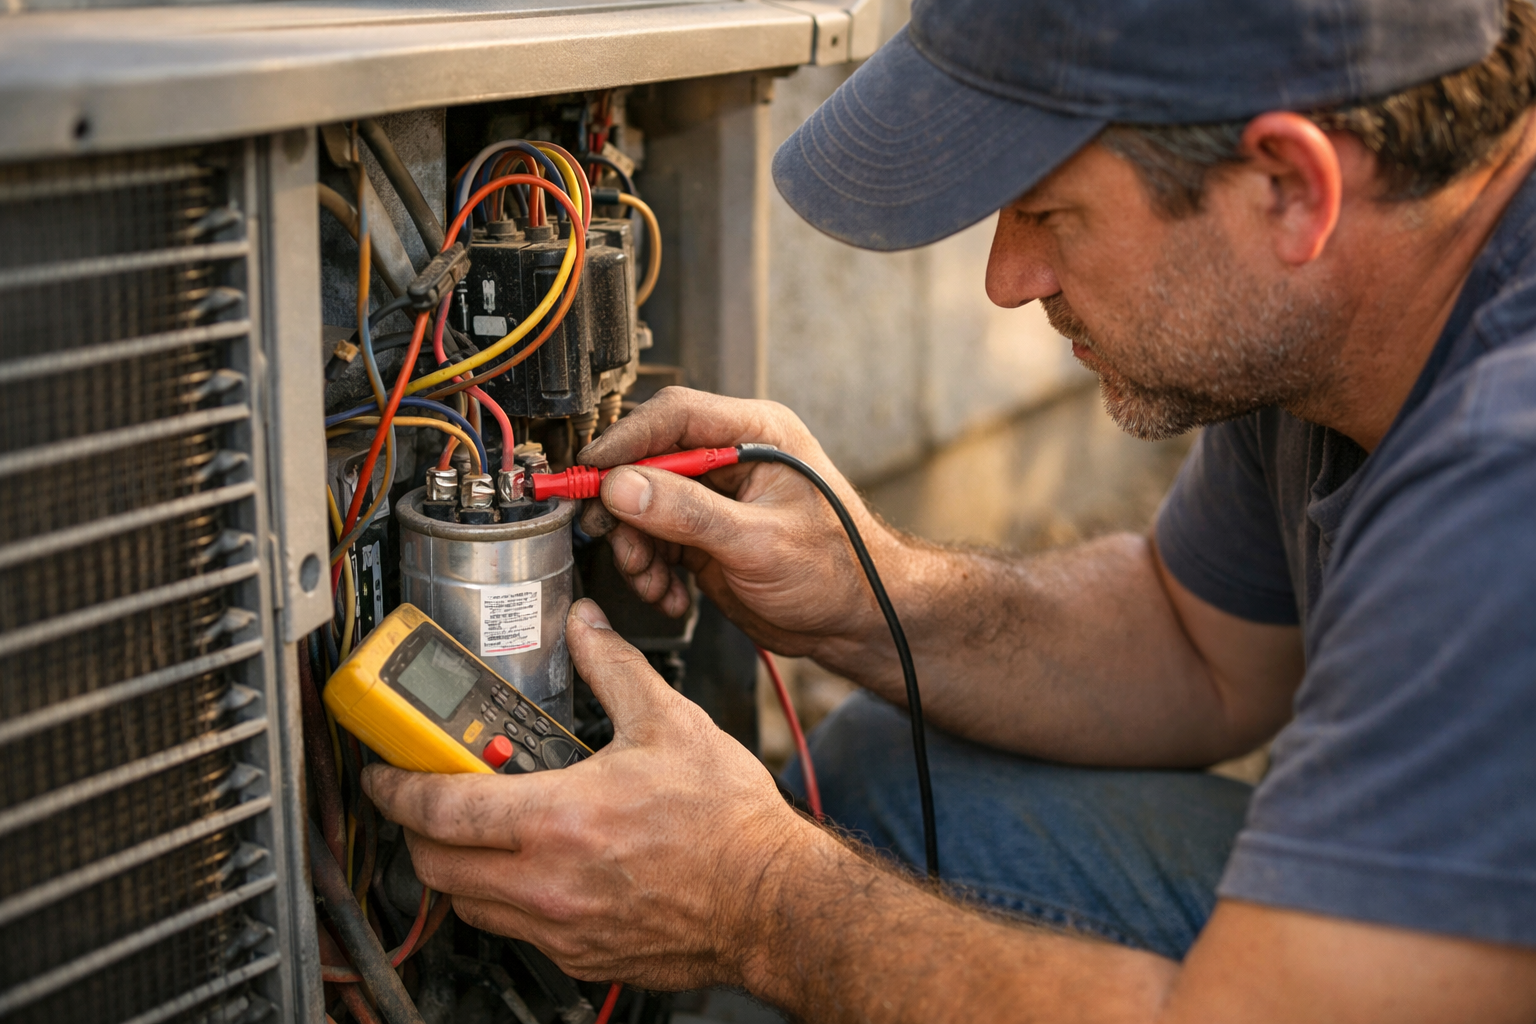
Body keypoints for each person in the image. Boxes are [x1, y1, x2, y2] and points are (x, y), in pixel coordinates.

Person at [364, 0, 1536, 1017]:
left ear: (1289, 186)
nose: (1005, 280)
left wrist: (755, 900)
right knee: (881, 775)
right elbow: (1204, 647)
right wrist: (866, 590)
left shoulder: (1501, 479)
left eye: (1044, 210)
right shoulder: (1334, 315)